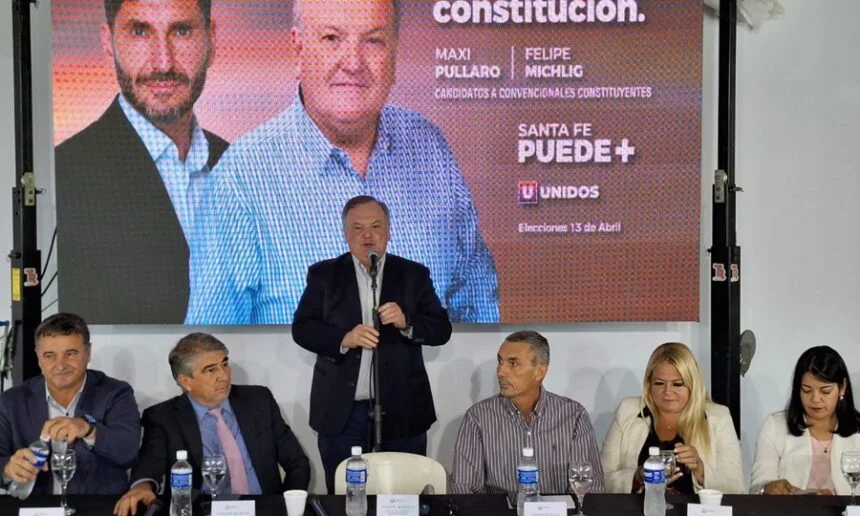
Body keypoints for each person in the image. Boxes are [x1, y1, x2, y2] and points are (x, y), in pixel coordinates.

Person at [185, 0, 499, 325]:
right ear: (298, 49)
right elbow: (209, 349)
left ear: (393, 53)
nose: (353, 62)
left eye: (373, 40)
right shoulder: (239, 182)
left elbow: (477, 310)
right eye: (332, 39)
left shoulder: (431, 150)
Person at [55, 0, 228, 324]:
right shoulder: (65, 175)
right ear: (109, 43)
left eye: (182, 31)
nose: (163, 62)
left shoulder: (243, 166)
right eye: (139, 32)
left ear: (211, 40)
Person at [292, 196, 452, 494]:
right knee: (346, 499)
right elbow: (302, 329)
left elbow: (441, 329)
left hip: (403, 409)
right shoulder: (324, 275)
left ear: (388, 232)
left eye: (376, 227)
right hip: (342, 412)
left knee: (405, 498)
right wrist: (344, 338)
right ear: (345, 234)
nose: (368, 235)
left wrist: (407, 323)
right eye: (358, 228)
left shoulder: (413, 275)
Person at [112, 333, 310, 516]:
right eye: (211, 370)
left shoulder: (258, 400)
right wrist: (142, 487)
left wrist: (287, 505)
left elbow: (297, 462)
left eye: (224, 364)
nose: (224, 376)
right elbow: (150, 462)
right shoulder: (163, 417)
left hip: (262, 508)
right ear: (186, 381)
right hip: (202, 510)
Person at [0, 313, 141, 495]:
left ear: (88, 353)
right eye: (50, 356)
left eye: (71, 354)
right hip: (37, 508)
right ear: (38, 357)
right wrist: (7, 468)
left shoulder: (116, 393)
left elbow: (127, 453)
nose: (60, 365)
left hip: (98, 507)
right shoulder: (11, 401)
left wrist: (88, 429)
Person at [450, 330, 605, 494]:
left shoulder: (574, 416)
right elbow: (463, 490)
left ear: (539, 372)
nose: (500, 372)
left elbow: (589, 489)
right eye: (500, 362)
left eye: (513, 364)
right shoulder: (478, 417)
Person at [601, 342, 744, 494]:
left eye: (677, 384)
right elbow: (601, 479)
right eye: (659, 383)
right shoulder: (627, 411)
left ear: (692, 384)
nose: (667, 391)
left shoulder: (718, 417)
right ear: (649, 384)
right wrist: (637, 478)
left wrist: (700, 469)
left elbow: (735, 488)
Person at [751, 346, 860, 495]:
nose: (815, 399)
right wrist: (767, 488)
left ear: (843, 387)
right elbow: (757, 488)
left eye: (825, 391)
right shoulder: (775, 426)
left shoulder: (857, 431)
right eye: (806, 390)